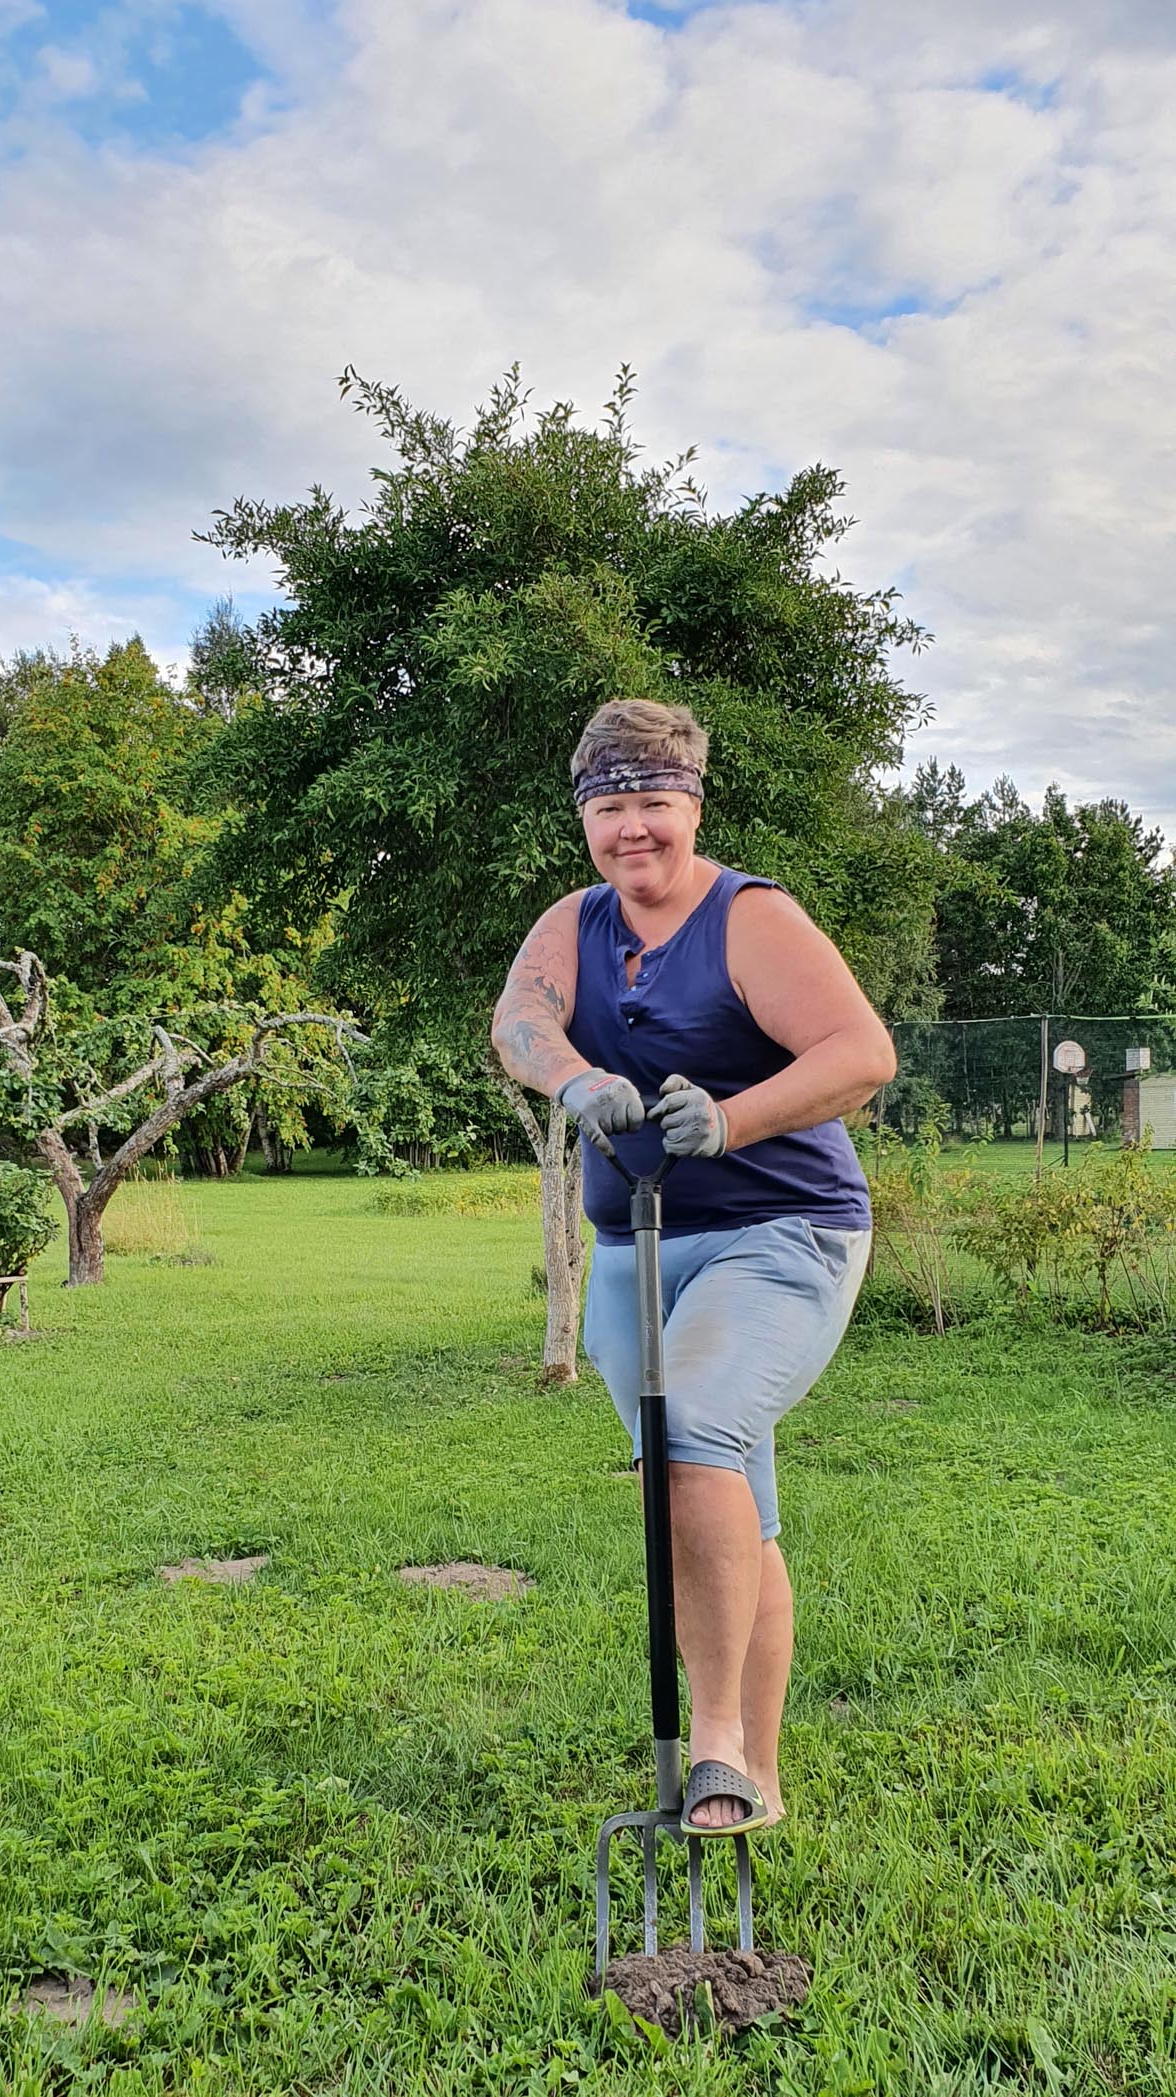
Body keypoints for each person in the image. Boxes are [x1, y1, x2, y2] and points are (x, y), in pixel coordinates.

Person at [491, 697, 895, 1834]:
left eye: (654, 804)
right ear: (585, 818)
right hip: (634, 1249)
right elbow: (518, 1022)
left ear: (692, 806)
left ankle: (710, 1739)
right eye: (610, 806)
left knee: (693, 1436)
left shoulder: (748, 917)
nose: (633, 829)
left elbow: (863, 1054)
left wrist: (732, 1120)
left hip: (783, 1231)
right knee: (719, 1494)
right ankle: (755, 1776)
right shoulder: (574, 923)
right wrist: (573, 1078)